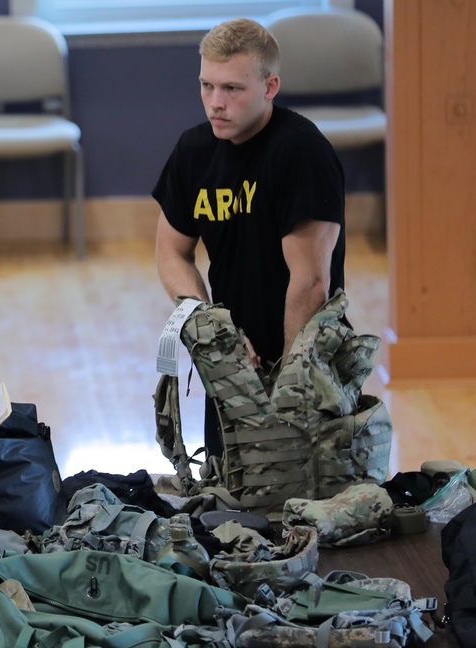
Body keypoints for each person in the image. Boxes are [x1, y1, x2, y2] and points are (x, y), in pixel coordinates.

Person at [152, 18, 346, 459]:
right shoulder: (193, 151)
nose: (215, 103)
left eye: (232, 89)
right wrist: (215, 331)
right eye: (206, 85)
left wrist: (287, 383)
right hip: (231, 357)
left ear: (270, 86)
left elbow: (311, 282)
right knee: (231, 497)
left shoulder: (302, 153)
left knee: (299, 505)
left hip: (306, 357)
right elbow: (172, 255)